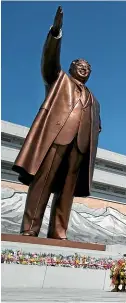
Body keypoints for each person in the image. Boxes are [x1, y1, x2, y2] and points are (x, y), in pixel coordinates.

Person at [12, 6, 102, 240]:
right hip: (57, 138)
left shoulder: (94, 99)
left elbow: (97, 125)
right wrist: (55, 32)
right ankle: (30, 228)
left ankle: (58, 231)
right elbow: (49, 61)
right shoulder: (59, 80)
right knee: (43, 182)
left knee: (67, 190)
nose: (85, 69)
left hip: (79, 146)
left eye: (88, 68)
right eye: (81, 66)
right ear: (72, 68)